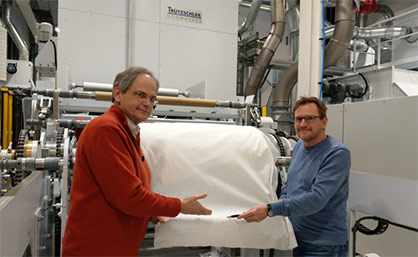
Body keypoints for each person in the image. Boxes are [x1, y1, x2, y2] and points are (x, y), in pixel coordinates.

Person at [62, 67, 212, 256]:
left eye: (152, 99)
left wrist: (149, 213)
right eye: (140, 95)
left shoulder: (128, 132)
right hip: (96, 249)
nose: (147, 103)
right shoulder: (106, 130)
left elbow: (122, 190)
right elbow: (129, 197)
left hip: (116, 247)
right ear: (118, 94)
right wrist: (179, 206)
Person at [238, 96, 351, 257]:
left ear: (324, 121)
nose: (303, 124)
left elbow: (317, 198)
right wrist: (279, 202)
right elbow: (290, 186)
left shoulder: (337, 153)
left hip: (324, 244)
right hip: (297, 237)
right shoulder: (299, 147)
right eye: (299, 119)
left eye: (310, 118)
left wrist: (271, 210)